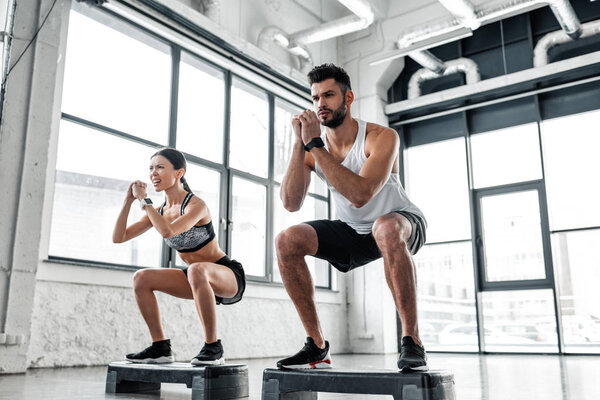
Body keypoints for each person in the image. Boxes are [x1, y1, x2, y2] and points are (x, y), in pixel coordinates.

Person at [275, 63, 428, 372]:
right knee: (286, 241)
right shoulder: (310, 148)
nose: (320, 104)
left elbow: (361, 194)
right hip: (354, 230)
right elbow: (291, 203)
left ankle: (412, 341)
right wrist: (298, 143)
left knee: (385, 227)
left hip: (400, 222)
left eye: (329, 95)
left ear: (348, 98)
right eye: (316, 97)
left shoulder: (380, 137)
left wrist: (315, 145)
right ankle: (316, 345)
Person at [112, 147, 245, 365]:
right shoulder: (160, 211)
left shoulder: (196, 205)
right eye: (151, 168)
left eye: (160, 167)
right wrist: (128, 201)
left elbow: (168, 231)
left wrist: (145, 201)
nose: (153, 173)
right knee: (141, 278)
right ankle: (160, 348)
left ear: (179, 173)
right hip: (195, 278)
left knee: (197, 269)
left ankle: (213, 347)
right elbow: (119, 237)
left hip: (226, 275)